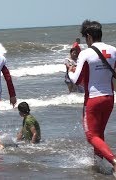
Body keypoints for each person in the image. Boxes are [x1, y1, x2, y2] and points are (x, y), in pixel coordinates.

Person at [68, 20, 116, 176]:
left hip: (93, 100)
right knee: (99, 133)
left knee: (91, 136)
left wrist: (70, 69)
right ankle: (98, 165)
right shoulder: (113, 50)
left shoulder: (86, 53)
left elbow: (76, 79)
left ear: (88, 36)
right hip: (109, 98)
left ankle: (113, 161)